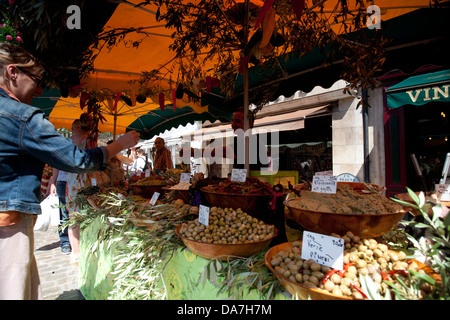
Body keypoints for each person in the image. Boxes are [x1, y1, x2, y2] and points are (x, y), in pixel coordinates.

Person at [0, 42, 140, 300]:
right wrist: (119, 145)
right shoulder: (19, 116)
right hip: (8, 225)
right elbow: (74, 159)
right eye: (36, 79)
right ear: (12, 73)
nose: (40, 88)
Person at [48, 166, 71, 255]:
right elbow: (56, 165)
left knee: (77, 213)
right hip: (63, 181)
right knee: (63, 213)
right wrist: (53, 182)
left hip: (80, 180)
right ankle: (65, 242)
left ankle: (77, 241)